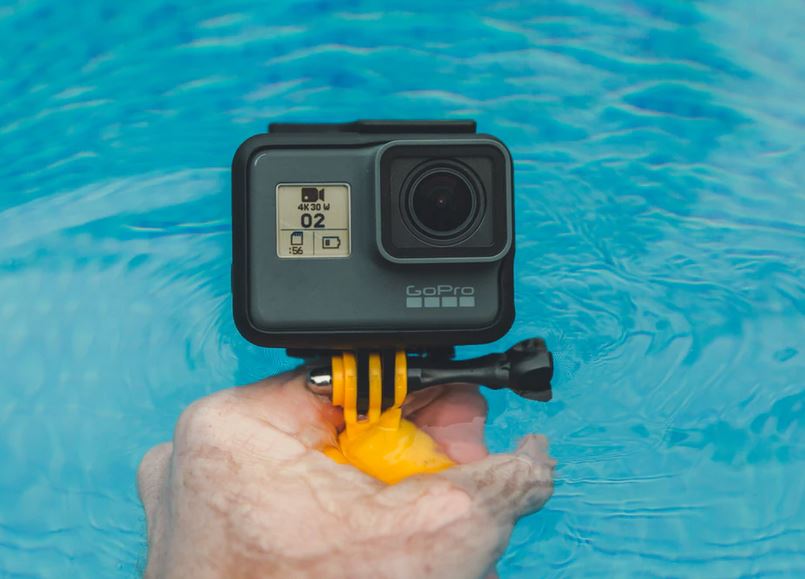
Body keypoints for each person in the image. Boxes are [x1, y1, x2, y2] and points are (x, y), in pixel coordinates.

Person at [137, 370, 555, 578]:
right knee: (456, 421)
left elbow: (160, 461)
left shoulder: (195, 467)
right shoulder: (447, 512)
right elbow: (471, 501)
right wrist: (522, 475)